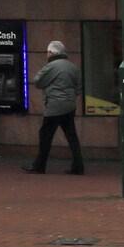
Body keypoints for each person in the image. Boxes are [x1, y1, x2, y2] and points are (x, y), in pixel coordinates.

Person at [28, 39, 85, 174]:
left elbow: (37, 82)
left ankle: (39, 165)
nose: (46, 55)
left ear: (52, 53)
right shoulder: (73, 67)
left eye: (47, 52)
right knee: (72, 136)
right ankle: (78, 166)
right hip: (69, 106)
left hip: (54, 106)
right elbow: (78, 88)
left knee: (45, 135)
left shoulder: (51, 66)